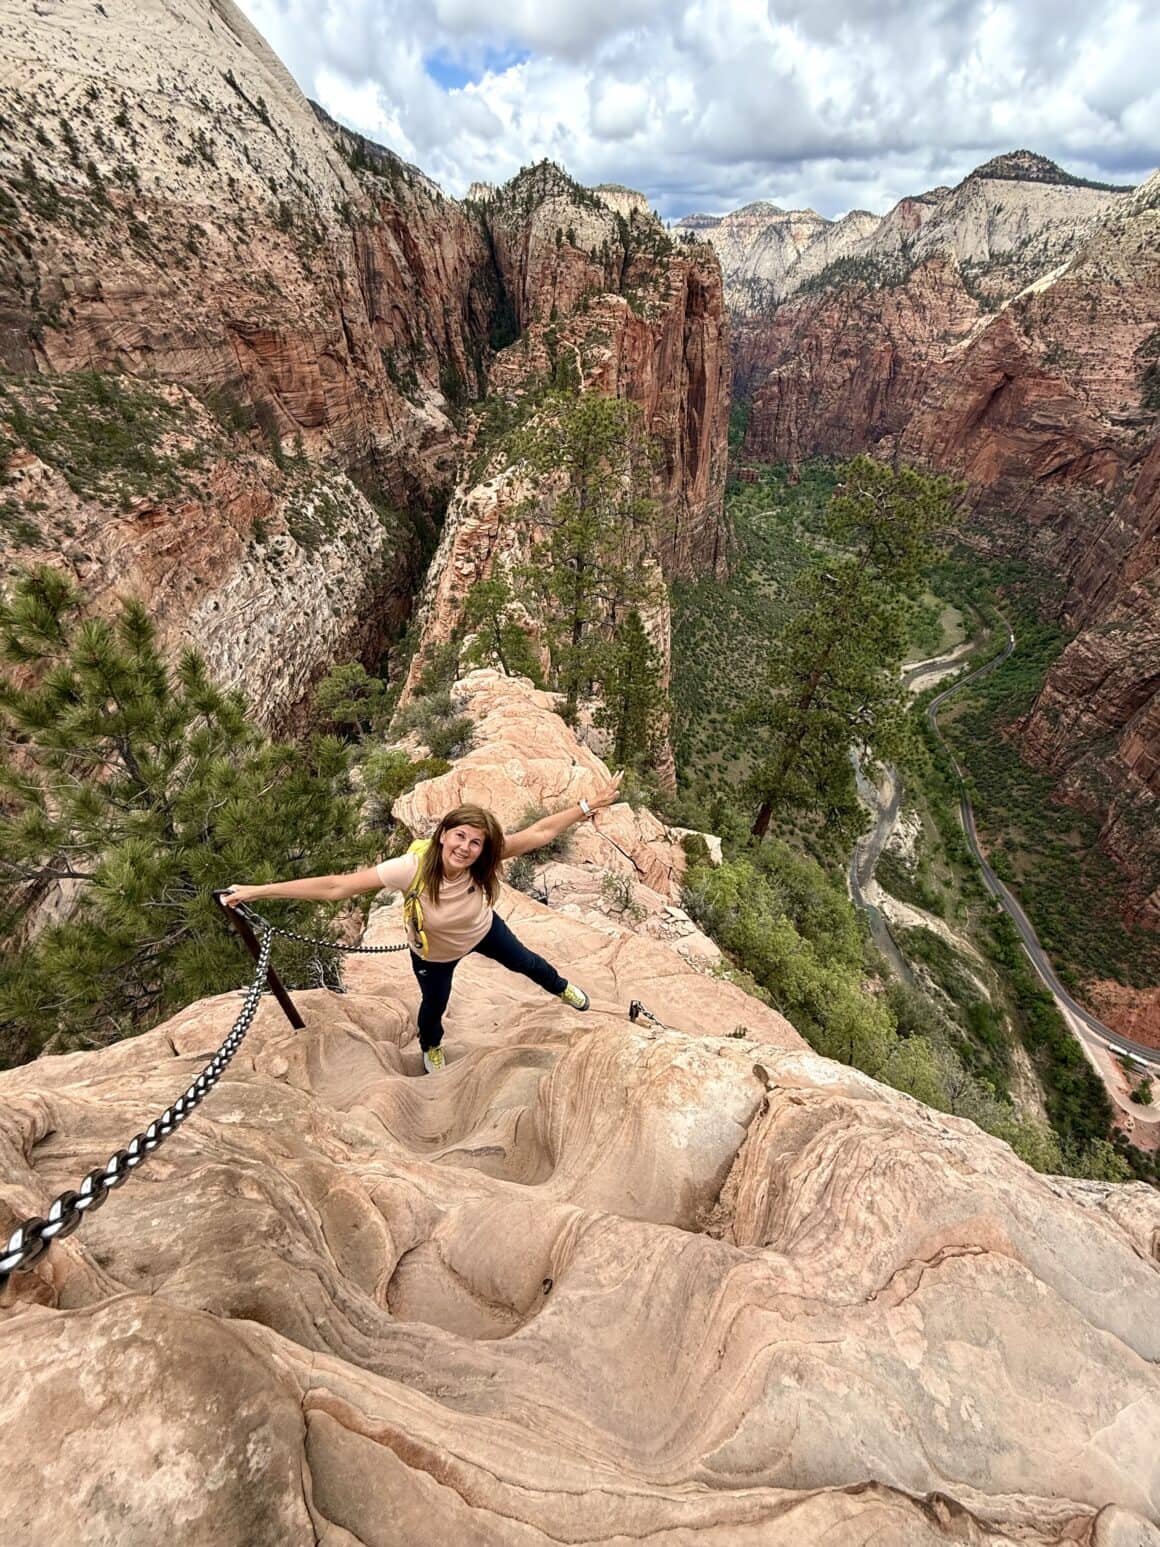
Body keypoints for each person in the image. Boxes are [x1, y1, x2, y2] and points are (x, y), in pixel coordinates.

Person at [222, 772, 623, 1073]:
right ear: (443, 834)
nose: (465, 848)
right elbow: (336, 887)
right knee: (434, 1005)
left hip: (483, 931)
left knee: (530, 963)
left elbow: (539, 832)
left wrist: (588, 807)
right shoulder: (410, 868)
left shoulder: (484, 860)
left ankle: (563, 989)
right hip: (433, 953)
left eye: (475, 842)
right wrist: (259, 891)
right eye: (460, 836)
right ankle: (431, 1046)